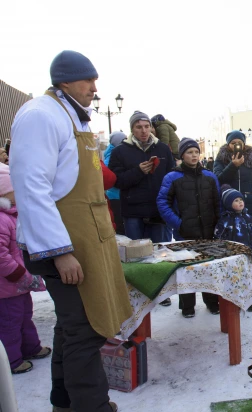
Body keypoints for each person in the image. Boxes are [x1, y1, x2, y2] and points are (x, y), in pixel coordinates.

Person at [11, 50, 132, 412]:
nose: (94, 88)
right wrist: (59, 251)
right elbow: (32, 187)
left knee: (70, 328)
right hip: (66, 244)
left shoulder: (72, 116)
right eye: (88, 81)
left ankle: (64, 402)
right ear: (64, 81)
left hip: (85, 239)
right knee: (85, 331)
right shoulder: (40, 115)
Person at [157, 138, 222, 317]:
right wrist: (178, 223)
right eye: (189, 152)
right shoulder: (172, 177)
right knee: (187, 270)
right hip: (185, 233)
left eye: (196, 152)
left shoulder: (209, 176)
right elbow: (163, 202)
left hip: (208, 231)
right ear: (182, 155)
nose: (194, 156)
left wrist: (218, 223)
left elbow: (218, 203)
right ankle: (187, 307)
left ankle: (212, 302)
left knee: (208, 268)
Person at [0, 164, 49, 374]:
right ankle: (11, 360)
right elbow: (2, 257)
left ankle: (30, 347)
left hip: (20, 283)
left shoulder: (13, 215)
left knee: (25, 316)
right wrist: (20, 275)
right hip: (7, 286)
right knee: (9, 323)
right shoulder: (2, 219)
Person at [109, 111, 174, 243]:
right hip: (133, 212)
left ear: (151, 127)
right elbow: (117, 181)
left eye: (147, 126)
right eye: (139, 127)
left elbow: (171, 177)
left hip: (157, 211)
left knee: (159, 253)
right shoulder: (119, 151)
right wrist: (138, 171)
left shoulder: (163, 149)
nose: (144, 131)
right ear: (132, 129)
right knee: (136, 254)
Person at [214, 187, 252, 312]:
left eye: (241, 200)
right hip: (231, 256)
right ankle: (236, 300)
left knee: (248, 275)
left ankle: (250, 298)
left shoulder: (248, 218)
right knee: (235, 278)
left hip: (247, 254)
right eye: (236, 200)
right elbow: (218, 238)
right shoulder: (225, 220)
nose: (240, 202)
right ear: (228, 204)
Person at [214, 130, 252, 223]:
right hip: (229, 206)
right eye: (233, 143)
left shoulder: (251, 157)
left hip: (251, 206)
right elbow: (219, 180)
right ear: (228, 144)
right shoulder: (221, 158)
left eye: (239, 143)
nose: (236, 145)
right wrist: (233, 165)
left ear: (244, 144)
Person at [103, 131, 126, 234]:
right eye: (123, 140)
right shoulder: (112, 156)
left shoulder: (112, 153)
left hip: (117, 195)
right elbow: (109, 176)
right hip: (115, 196)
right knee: (119, 225)